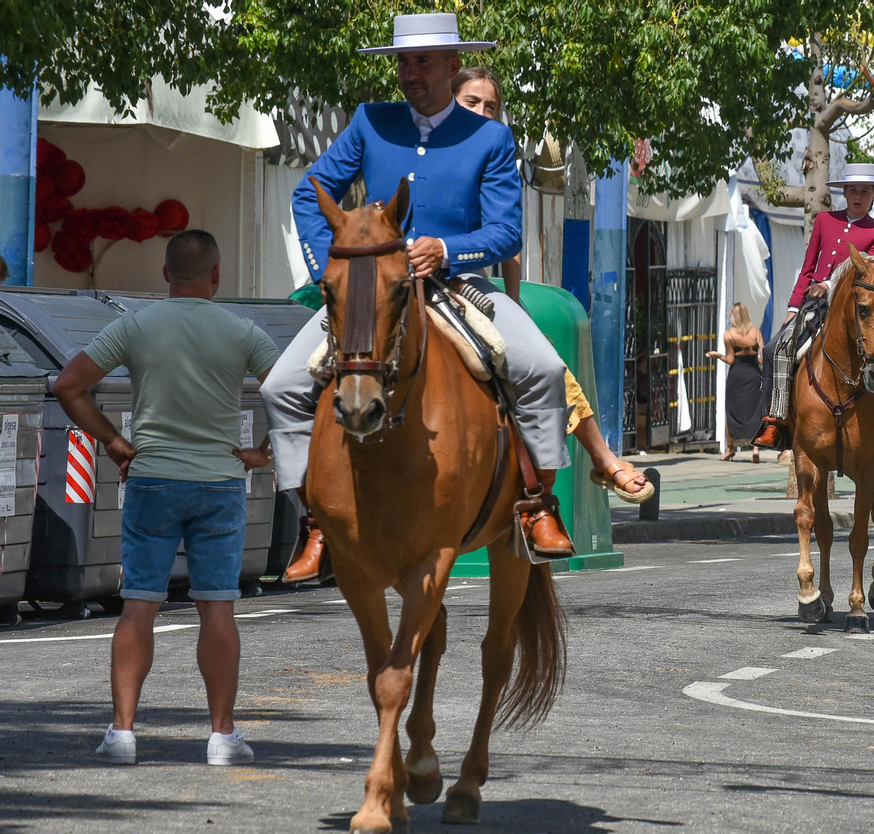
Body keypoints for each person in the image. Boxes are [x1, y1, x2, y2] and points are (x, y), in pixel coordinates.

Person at [267, 12, 577, 583]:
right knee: (281, 385)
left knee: (539, 369)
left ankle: (535, 507)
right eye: (404, 62)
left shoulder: (491, 136)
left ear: (452, 66)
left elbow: (506, 231)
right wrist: (334, 265)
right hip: (373, 289)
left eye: (423, 62)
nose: (410, 73)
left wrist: (446, 249)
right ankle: (312, 522)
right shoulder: (370, 122)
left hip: (457, 287)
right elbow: (310, 197)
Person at [53, 230, 279, 766]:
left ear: (165, 274)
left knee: (139, 606)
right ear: (217, 275)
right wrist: (262, 452)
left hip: (151, 477)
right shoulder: (244, 331)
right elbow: (296, 392)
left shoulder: (136, 325)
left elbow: (67, 385)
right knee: (217, 607)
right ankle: (223, 737)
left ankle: (122, 733)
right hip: (220, 482)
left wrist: (112, 441)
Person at [451, 65, 653, 504]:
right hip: (399, 278)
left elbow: (509, 240)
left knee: (547, 364)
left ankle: (574, 476)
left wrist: (515, 304)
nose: (483, 113)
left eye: (492, 106)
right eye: (472, 102)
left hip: (466, 285)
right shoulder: (419, 143)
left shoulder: (496, 155)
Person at [752, 163, 874, 451]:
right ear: (844, 192)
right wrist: (794, 308)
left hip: (863, 303)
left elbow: (869, 271)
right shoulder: (824, 220)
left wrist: (831, 286)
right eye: (854, 190)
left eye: (865, 191)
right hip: (817, 304)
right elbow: (808, 269)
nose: (859, 196)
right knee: (774, 350)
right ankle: (775, 420)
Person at [706, 301, 764, 462]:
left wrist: (718, 356)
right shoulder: (756, 332)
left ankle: (730, 448)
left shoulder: (729, 335)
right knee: (756, 411)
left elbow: (731, 359)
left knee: (732, 410)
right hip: (753, 374)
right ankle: (756, 448)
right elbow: (762, 357)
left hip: (737, 375)